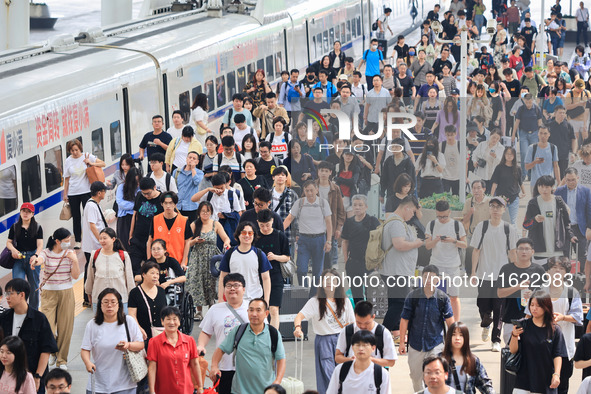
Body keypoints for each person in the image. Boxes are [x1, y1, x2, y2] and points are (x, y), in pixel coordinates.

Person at [526, 257, 583, 394]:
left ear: (566, 273)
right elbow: (528, 314)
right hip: (541, 347)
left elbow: (578, 317)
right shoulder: (539, 291)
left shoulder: (571, 292)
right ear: (548, 272)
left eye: (561, 268)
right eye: (554, 268)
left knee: (562, 385)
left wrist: (563, 317)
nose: (557, 271)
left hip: (565, 349)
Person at [294, 269, 355, 393]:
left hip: (342, 340)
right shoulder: (315, 301)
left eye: (333, 280)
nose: (329, 282)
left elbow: (352, 324)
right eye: (326, 279)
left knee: (344, 374)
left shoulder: (345, 301)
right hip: (324, 341)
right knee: (328, 376)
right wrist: (298, 328)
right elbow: (299, 316)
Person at [470, 197, 518, 351]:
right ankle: (486, 323)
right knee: (483, 304)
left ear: (504, 209)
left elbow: (512, 252)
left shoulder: (508, 228)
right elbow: (476, 250)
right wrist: (473, 272)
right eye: (493, 206)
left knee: (499, 307)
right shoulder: (482, 227)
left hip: (501, 275)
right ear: (489, 209)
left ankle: (495, 339)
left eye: (499, 207)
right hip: (484, 273)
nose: (496, 209)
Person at [212, 298, 286, 394]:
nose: (254, 314)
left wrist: (277, 381)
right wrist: (214, 366)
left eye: (258, 310)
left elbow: (281, 359)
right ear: (247, 312)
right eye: (251, 310)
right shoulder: (239, 331)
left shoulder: (273, 334)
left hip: (265, 390)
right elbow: (220, 349)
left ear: (266, 313)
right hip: (240, 390)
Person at [399, 265, 454, 392]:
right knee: (416, 377)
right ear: (421, 278)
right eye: (425, 277)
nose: (428, 280)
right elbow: (404, 319)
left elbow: (450, 322)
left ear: (437, 280)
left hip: (436, 344)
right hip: (415, 344)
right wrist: (402, 342)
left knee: (435, 377)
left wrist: (453, 344)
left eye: (431, 277)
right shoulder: (413, 296)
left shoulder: (443, 298)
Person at [32, 228, 80, 371]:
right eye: (66, 241)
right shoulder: (46, 252)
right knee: (48, 328)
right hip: (49, 293)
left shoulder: (70, 254)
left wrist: (75, 261)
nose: (69, 243)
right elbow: (40, 259)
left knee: (66, 328)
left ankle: (62, 360)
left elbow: (76, 276)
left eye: (70, 240)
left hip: (66, 292)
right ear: (57, 241)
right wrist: (35, 261)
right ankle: (53, 350)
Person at [81, 288, 144, 394]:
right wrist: (88, 363)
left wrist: (128, 345)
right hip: (99, 384)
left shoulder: (129, 321)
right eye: (105, 302)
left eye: (113, 302)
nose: (109, 305)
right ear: (100, 305)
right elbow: (85, 349)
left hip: (125, 385)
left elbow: (140, 344)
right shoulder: (92, 325)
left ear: (119, 305)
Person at [0, 278, 58, 392]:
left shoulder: (39, 319)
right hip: (7, 376)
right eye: (6, 294)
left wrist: (38, 377)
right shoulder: (3, 318)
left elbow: (46, 350)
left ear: (22, 295)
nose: (7, 297)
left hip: (32, 376)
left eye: (10, 294)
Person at [197, 273, 248, 394]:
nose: (232, 289)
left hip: (247, 365)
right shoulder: (215, 309)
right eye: (228, 285)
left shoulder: (252, 308)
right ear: (224, 289)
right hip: (223, 366)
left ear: (244, 289)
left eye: (236, 285)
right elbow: (206, 332)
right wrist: (201, 345)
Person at [510, 290, 568, 394]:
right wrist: (514, 335)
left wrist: (556, 374)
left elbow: (558, 354)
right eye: (531, 305)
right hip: (523, 382)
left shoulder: (554, 330)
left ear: (546, 307)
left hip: (545, 383)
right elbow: (513, 350)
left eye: (538, 305)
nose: (534, 308)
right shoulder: (523, 325)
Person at [283, 181, 332, 292]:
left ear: (317, 190)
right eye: (307, 191)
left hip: (319, 239)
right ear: (304, 191)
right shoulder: (299, 203)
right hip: (304, 239)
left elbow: (329, 222)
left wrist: (328, 241)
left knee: (317, 272)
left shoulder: (323, 203)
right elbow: (290, 218)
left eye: (311, 190)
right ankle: (304, 292)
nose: (309, 193)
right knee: (301, 269)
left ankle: (313, 296)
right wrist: (278, 231)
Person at [497, 238, 547, 345]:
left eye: (527, 249)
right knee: (512, 353)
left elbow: (546, 295)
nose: (524, 252)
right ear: (516, 251)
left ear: (532, 252)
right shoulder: (506, 269)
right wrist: (517, 287)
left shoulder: (539, 270)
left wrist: (533, 295)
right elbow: (500, 293)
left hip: (535, 319)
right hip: (512, 318)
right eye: (521, 249)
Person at [187, 201, 230, 318]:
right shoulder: (194, 224)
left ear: (211, 212)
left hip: (212, 257)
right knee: (197, 282)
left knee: (211, 282)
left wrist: (226, 244)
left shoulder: (216, 224)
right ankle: (199, 310)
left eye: (208, 211)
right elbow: (187, 243)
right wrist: (195, 241)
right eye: (203, 211)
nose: (205, 214)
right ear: (199, 212)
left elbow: (226, 238)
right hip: (197, 257)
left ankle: (212, 308)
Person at [425, 200, 467, 320]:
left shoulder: (457, 225)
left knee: (454, 296)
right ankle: (434, 320)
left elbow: (464, 244)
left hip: (452, 265)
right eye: (439, 216)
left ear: (450, 212)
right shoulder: (431, 224)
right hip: (435, 265)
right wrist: (436, 240)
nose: (442, 219)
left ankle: (455, 325)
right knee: (433, 295)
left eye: (444, 216)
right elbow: (428, 246)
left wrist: (452, 240)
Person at [147, 306, 203, 394]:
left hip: (185, 390)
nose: (172, 322)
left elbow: (195, 364)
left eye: (174, 319)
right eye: (168, 319)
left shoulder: (189, 341)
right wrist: (152, 391)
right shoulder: (154, 342)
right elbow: (152, 368)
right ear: (162, 322)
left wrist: (200, 386)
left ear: (179, 322)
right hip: (163, 390)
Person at [62, 139, 105, 249]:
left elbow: (103, 163)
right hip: (73, 192)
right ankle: (77, 240)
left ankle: (90, 237)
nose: (74, 152)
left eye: (76, 150)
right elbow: (66, 179)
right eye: (72, 151)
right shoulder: (68, 161)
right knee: (76, 217)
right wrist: (65, 194)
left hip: (86, 191)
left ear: (80, 148)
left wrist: (91, 163)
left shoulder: (86, 156)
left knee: (88, 217)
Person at [524, 175, 575, 263]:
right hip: (539, 250)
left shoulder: (559, 201)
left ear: (552, 187)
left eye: (547, 187)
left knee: (557, 276)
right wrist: (535, 220)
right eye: (541, 187)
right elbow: (526, 225)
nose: (544, 190)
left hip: (558, 249)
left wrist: (571, 236)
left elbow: (566, 223)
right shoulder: (533, 203)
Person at [218, 222, 272, 303]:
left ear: (254, 236)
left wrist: (266, 301)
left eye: (250, 233)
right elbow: (222, 277)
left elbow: (266, 278)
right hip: (234, 300)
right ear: (238, 235)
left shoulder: (259, 254)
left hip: (255, 299)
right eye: (243, 232)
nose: (247, 235)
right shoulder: (230, 253)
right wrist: (220, 298)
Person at [85, 227, 134, 312]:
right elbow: (90, 276)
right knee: (100, 324)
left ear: (113, 239)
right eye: (100, 238)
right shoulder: (95, 255)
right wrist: (88, 292)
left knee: (120, 324)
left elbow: (129, 278)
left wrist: (132, 296)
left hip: (120, 300)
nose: (102, 241)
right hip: (99, 299)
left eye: (105, 238)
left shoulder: (123, 255)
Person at [255, 209, 290, 328]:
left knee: (274, 310)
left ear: (272, 221)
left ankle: (273, 337)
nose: (265, 228)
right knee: (258, 310)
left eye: (267, 225)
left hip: (275, 276)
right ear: (258, 223)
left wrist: (275, 257)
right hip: (257, 279)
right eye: (262, 225)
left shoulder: (280, 236)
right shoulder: (254, 237)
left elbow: (287, 257)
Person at [335, 301, 397, 367]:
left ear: (373, 317)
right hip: (352, 374)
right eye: (359, 323)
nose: (362, 326)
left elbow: (391, 362)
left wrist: (370, 360)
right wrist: (350, 360)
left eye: (367, 323)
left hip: (375, 374)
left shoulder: (383, 333)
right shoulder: (347, 331)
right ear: (355, 316)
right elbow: (337, 357)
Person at [327, 330, 390, 394]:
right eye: (357, 345)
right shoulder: (340, 370)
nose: (361, 348)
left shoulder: (381, 373)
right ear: (352, 347)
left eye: (365, 345)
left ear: (373, 348)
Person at [6, 203, 43, 311]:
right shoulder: (14, 227)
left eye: (28, 212)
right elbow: (9, 242)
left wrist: (36, 255)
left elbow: (40, 244)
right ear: (20, 212)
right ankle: (19, 309)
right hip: (18, 259)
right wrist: (14, 250)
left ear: (32, 214)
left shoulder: (37, 227)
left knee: (34, 286)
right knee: (17, 285)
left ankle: (33, 311)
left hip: (32, 259)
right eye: (23, 211)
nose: (25, 214)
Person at [440, 321, 494, 393]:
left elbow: (485, 384)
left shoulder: (473, 360)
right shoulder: (439, 360)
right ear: (449, 337)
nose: (457, 338)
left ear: (466, 338)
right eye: (454, 335)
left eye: (461, 335)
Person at [555, 167, 591, 271]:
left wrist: (589, 227)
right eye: (568, 180)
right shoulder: (559, 191)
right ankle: (565, 278)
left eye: (573, 179)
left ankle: (584, 278)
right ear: (564, 179)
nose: (571, 182)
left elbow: (589, 211)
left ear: (578, 178)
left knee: (582, 255)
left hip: (580, 227)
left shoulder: (586, 191)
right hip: (564, 228)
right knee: (565, 256)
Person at [147, 192, 192, 268]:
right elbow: (149, 241)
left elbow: (187, 242)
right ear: (162, 204)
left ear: (175, 204)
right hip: (158, 262)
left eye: (171, 203)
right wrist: (149, 260)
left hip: (177, 261)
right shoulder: (155, 219)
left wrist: (183, 262)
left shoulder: (184, 220)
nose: (168, 206)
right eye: (165, 203)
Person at [129, 177, 163, 276]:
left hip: (153, 240)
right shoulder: (140, 195)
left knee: (151, 269)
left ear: (155, 188)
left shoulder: (162, 199)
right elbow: (134, 215)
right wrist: (130, 235)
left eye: (148, 193)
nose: (146, 196)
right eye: (144, 193)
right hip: (137, 238)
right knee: (133, 266)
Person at [81, 181, 108, 306]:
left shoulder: (93, 204)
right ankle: (87, 298)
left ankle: (89, 297)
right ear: (99, 193)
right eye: (104, 191)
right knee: (90, 271)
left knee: (90, 270)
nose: (105, 193)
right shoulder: (91, 206)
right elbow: (92, 225)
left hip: (93, 244)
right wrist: (101, 240)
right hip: (92, 245)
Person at [128, 261, 167, 346]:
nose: (155, 276)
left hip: (160, 333)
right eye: (152, 273)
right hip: (143, 335)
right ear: (143, 274)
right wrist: (139, 329)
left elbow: (165, 313)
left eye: (157, 273)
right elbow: (132, 314)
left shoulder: (161, 291)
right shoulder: (135, 293)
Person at [512, 93, 544, 179]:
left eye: (530, 102)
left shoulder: (537, 109)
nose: (528, 104)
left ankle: (531, 174)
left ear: (533, 101)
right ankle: (523, 174)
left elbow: (540, 122)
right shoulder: (521, 109)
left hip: (534, 133)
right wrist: (513, 134)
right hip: (523, 133)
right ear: (524, 101)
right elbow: (517, 122)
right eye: (527, 102)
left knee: (533, 154)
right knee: (524, 153)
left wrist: (541, 135)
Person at [490, 147, 525, 225]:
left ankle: (513, 237)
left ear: (514, 156)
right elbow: (495, 183)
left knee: (513, 221)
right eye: (507, 154)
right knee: (500, 221)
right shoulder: (499, 167)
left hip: (514, 197)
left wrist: (524, 192)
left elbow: (520, 182)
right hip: (501, 198)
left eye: (511, 154)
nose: (509, 156)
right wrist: (491, 197)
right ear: (504, 155)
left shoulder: (517, 168)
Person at [172, 151, 204, 224]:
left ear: (197, 161)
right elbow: (173, 188)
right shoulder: (176, 171)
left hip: (191, 207)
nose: (191, 160)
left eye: (194, 158)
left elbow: (196, 182)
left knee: (190, 230)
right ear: (186, 159)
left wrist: (193, 169)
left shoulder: (199, 173)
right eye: (190, 157)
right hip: (178, 206)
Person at [270, 166, 299, 244]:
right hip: (270, 231)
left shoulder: (292, 194)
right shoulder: (268, 194)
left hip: (288, 234)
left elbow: (296, 216)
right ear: (273, 177)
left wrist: (297, 232)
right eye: (278, 175)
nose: (280, 177)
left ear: (286, 178)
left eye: (283, 175)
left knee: (289, 255)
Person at [471, 129, 504, 193]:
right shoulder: (482, 144)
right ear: (490, 135)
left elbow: (501, 162)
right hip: (482, 173)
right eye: (494, 137)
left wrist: (495, 156)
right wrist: (474, 161)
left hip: (493, 175)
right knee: (481, 192)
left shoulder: (501, 148)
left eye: (497, 139)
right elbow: (474, 154)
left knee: (491, 194)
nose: (495, 140)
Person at [116, 168, 140, 251]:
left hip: (137, 218)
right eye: (135, 182)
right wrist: (135, 206)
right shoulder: (121, 187)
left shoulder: (140, 188)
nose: (137, 184)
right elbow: (120, 203)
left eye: (138, 181)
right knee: (124, 245)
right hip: (124, 219)